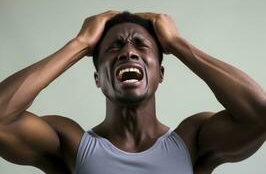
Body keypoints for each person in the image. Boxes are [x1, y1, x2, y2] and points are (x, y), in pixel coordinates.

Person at [0, 10, 265, 174]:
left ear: (160, 74)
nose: (128, 52)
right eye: (115, 47)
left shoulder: (192, 140)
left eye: (141, 45)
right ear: (98, 79)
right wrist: (79, 45)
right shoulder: (70, 143)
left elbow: (259, 115)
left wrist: (176, 43)